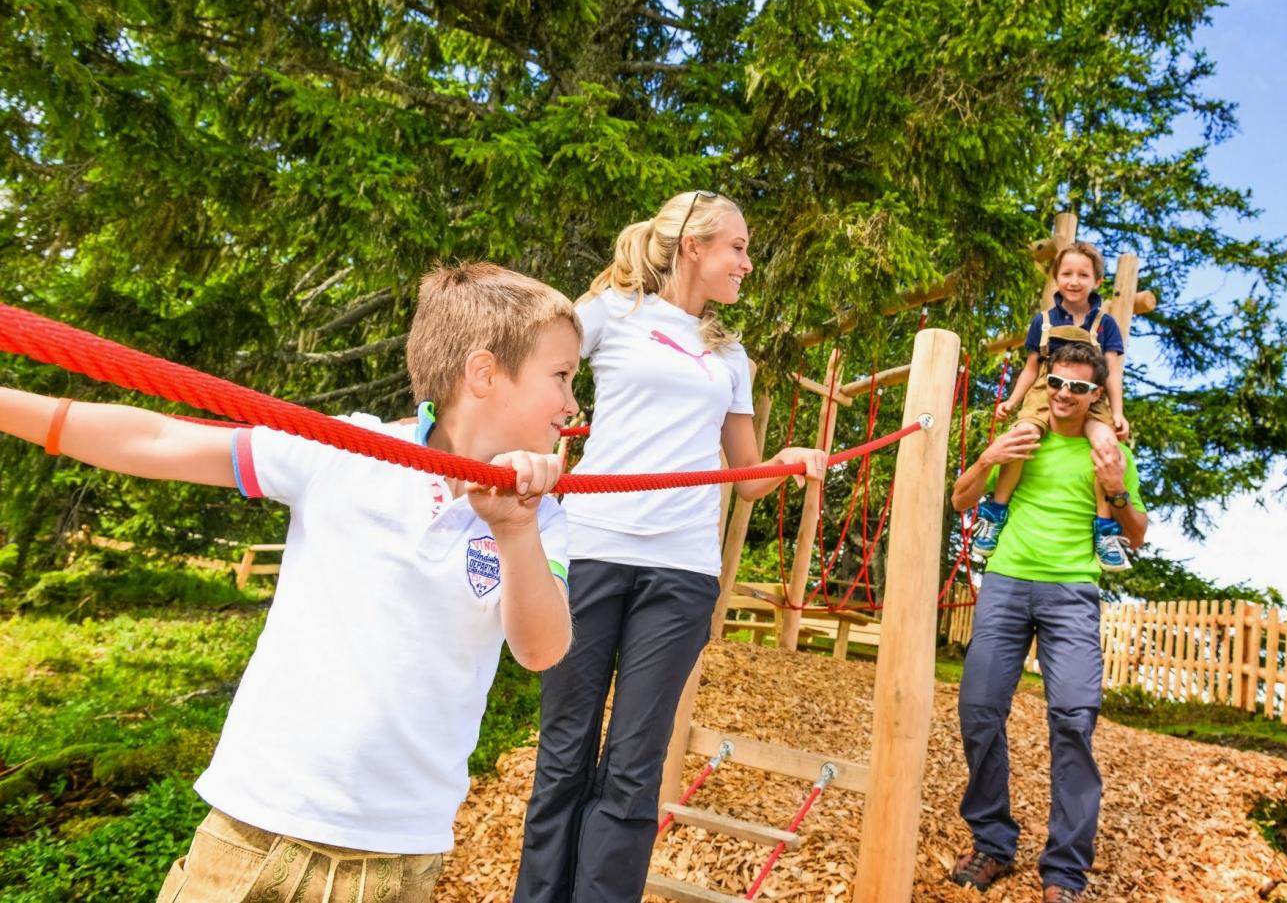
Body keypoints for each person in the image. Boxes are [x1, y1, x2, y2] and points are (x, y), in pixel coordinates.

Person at [0, 263, 578, 903]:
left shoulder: (543, 517)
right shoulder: (347, 448)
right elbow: (158, 439)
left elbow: (541, 649)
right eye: (562, 376)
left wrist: (514, 531)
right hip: (256, 829)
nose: (573, 404)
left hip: (402, 855)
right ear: (484, 373)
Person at [515, 190, 829, 903]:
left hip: (682, 572)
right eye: (737, 248)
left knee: (633, 767)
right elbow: (539, 372)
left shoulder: (730, 354)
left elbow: (746, 478)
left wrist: (787, 460)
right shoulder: (609, 313)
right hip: (591, 550)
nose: (747, 263)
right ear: (693, 245)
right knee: (564, 753)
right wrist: (534, 438)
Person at [947, 342, 1148, 903]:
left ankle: (1065, 873)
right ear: (1046, 384)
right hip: (1007, 583)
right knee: (979, 710)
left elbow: (1136, 535)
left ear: (1095, 395)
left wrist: (1117, 489)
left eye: (1078, 387)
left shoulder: (1108, 452)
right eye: (1056, 382)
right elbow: (961, 501)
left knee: (1074, 720)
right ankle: (992, 843)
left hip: (1072, 593)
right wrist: (987, 458)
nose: (1063, 393)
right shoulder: (1022, 438)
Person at [971, 242, 1133, 570]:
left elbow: (1113, 372)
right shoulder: (1043, 321)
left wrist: (1117, 413)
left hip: (1090, 393)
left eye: (1083, 275)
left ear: (1097, 281)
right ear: (1056, 278)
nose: (1074, 281)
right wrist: (1013, 401)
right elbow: (1032, 368)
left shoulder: (1105, 324)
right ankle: (996, 511)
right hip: (1047, 389)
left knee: (1106, 445)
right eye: (1067, 273)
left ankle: (1104, 528)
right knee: (1023, 437)